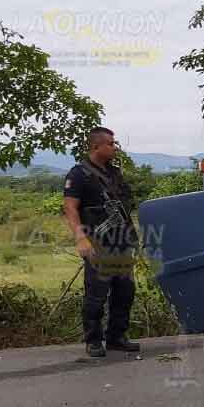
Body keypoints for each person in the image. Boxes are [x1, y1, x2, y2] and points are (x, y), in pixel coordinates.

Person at [63, 127, 141, 357]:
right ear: (97, 146)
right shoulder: (79, 174)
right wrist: (81, 238)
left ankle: (116, 337)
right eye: (111, 144)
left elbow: (125, 206)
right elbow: (70, 207)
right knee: (96, 294)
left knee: (125, 291)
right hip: (97, 242)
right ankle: (93, 340)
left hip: (121, 242)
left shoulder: (115, 173)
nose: (115, 147)